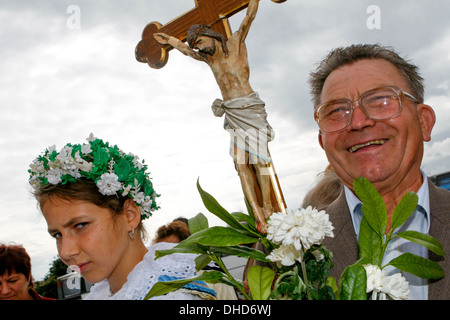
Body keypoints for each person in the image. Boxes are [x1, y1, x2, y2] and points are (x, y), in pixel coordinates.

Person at [309, 44, 449, 299]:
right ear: (323, 143)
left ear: (424, 122)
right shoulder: (285, 252)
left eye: (380, 100)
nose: (359, 122)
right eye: (337, 111)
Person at [28, 134, 216, 300]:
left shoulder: (172, 295)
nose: (65, 252)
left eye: (80, 225)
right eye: (57, 235)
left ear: (129, 215)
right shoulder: (104, 293)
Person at [153, 0, 276, 234]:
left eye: (200, 42)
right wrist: (170, 41)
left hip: (249, 108)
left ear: (209, 34)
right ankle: (257, 213)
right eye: (196, 45)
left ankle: (269, 207)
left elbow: (248, 17)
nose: (199, 48)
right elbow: (186, 51)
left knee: (260, 160)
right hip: (232, 112)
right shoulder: (209, 58)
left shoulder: (235, 42)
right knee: (241, 165)